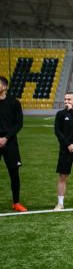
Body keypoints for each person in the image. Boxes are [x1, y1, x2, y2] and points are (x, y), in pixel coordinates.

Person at [0, 76, 27, 212]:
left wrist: (6, 138)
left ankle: (16, 203)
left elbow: (19, 123)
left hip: (10, 142)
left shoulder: (14, 102)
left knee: (14, 173)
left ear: (5, 86)